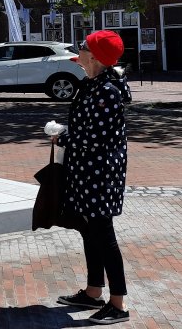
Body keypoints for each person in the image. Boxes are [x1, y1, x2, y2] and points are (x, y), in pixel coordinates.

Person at [52, 29, 132, 324]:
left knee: (103, 233)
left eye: (83, 49)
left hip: (101, 172)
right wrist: (67, 135)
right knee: (90, 230)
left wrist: (64, 138)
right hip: (88, 169)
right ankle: (93, 290)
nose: (79, 52)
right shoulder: (93, 82)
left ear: (95, 56)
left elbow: (96, 138)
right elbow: (87, 130)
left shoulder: (106, 91)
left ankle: (118, 303)